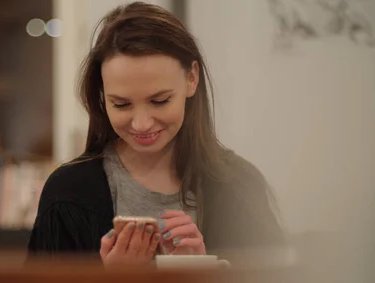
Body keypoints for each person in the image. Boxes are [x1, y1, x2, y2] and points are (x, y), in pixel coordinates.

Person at [28, 2, 286, 268]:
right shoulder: (68, 194)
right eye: (121, 104)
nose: (141, 124)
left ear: (192, 79)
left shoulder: (239, 186)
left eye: (160, 101)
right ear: (103, 96)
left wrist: (206, 277)